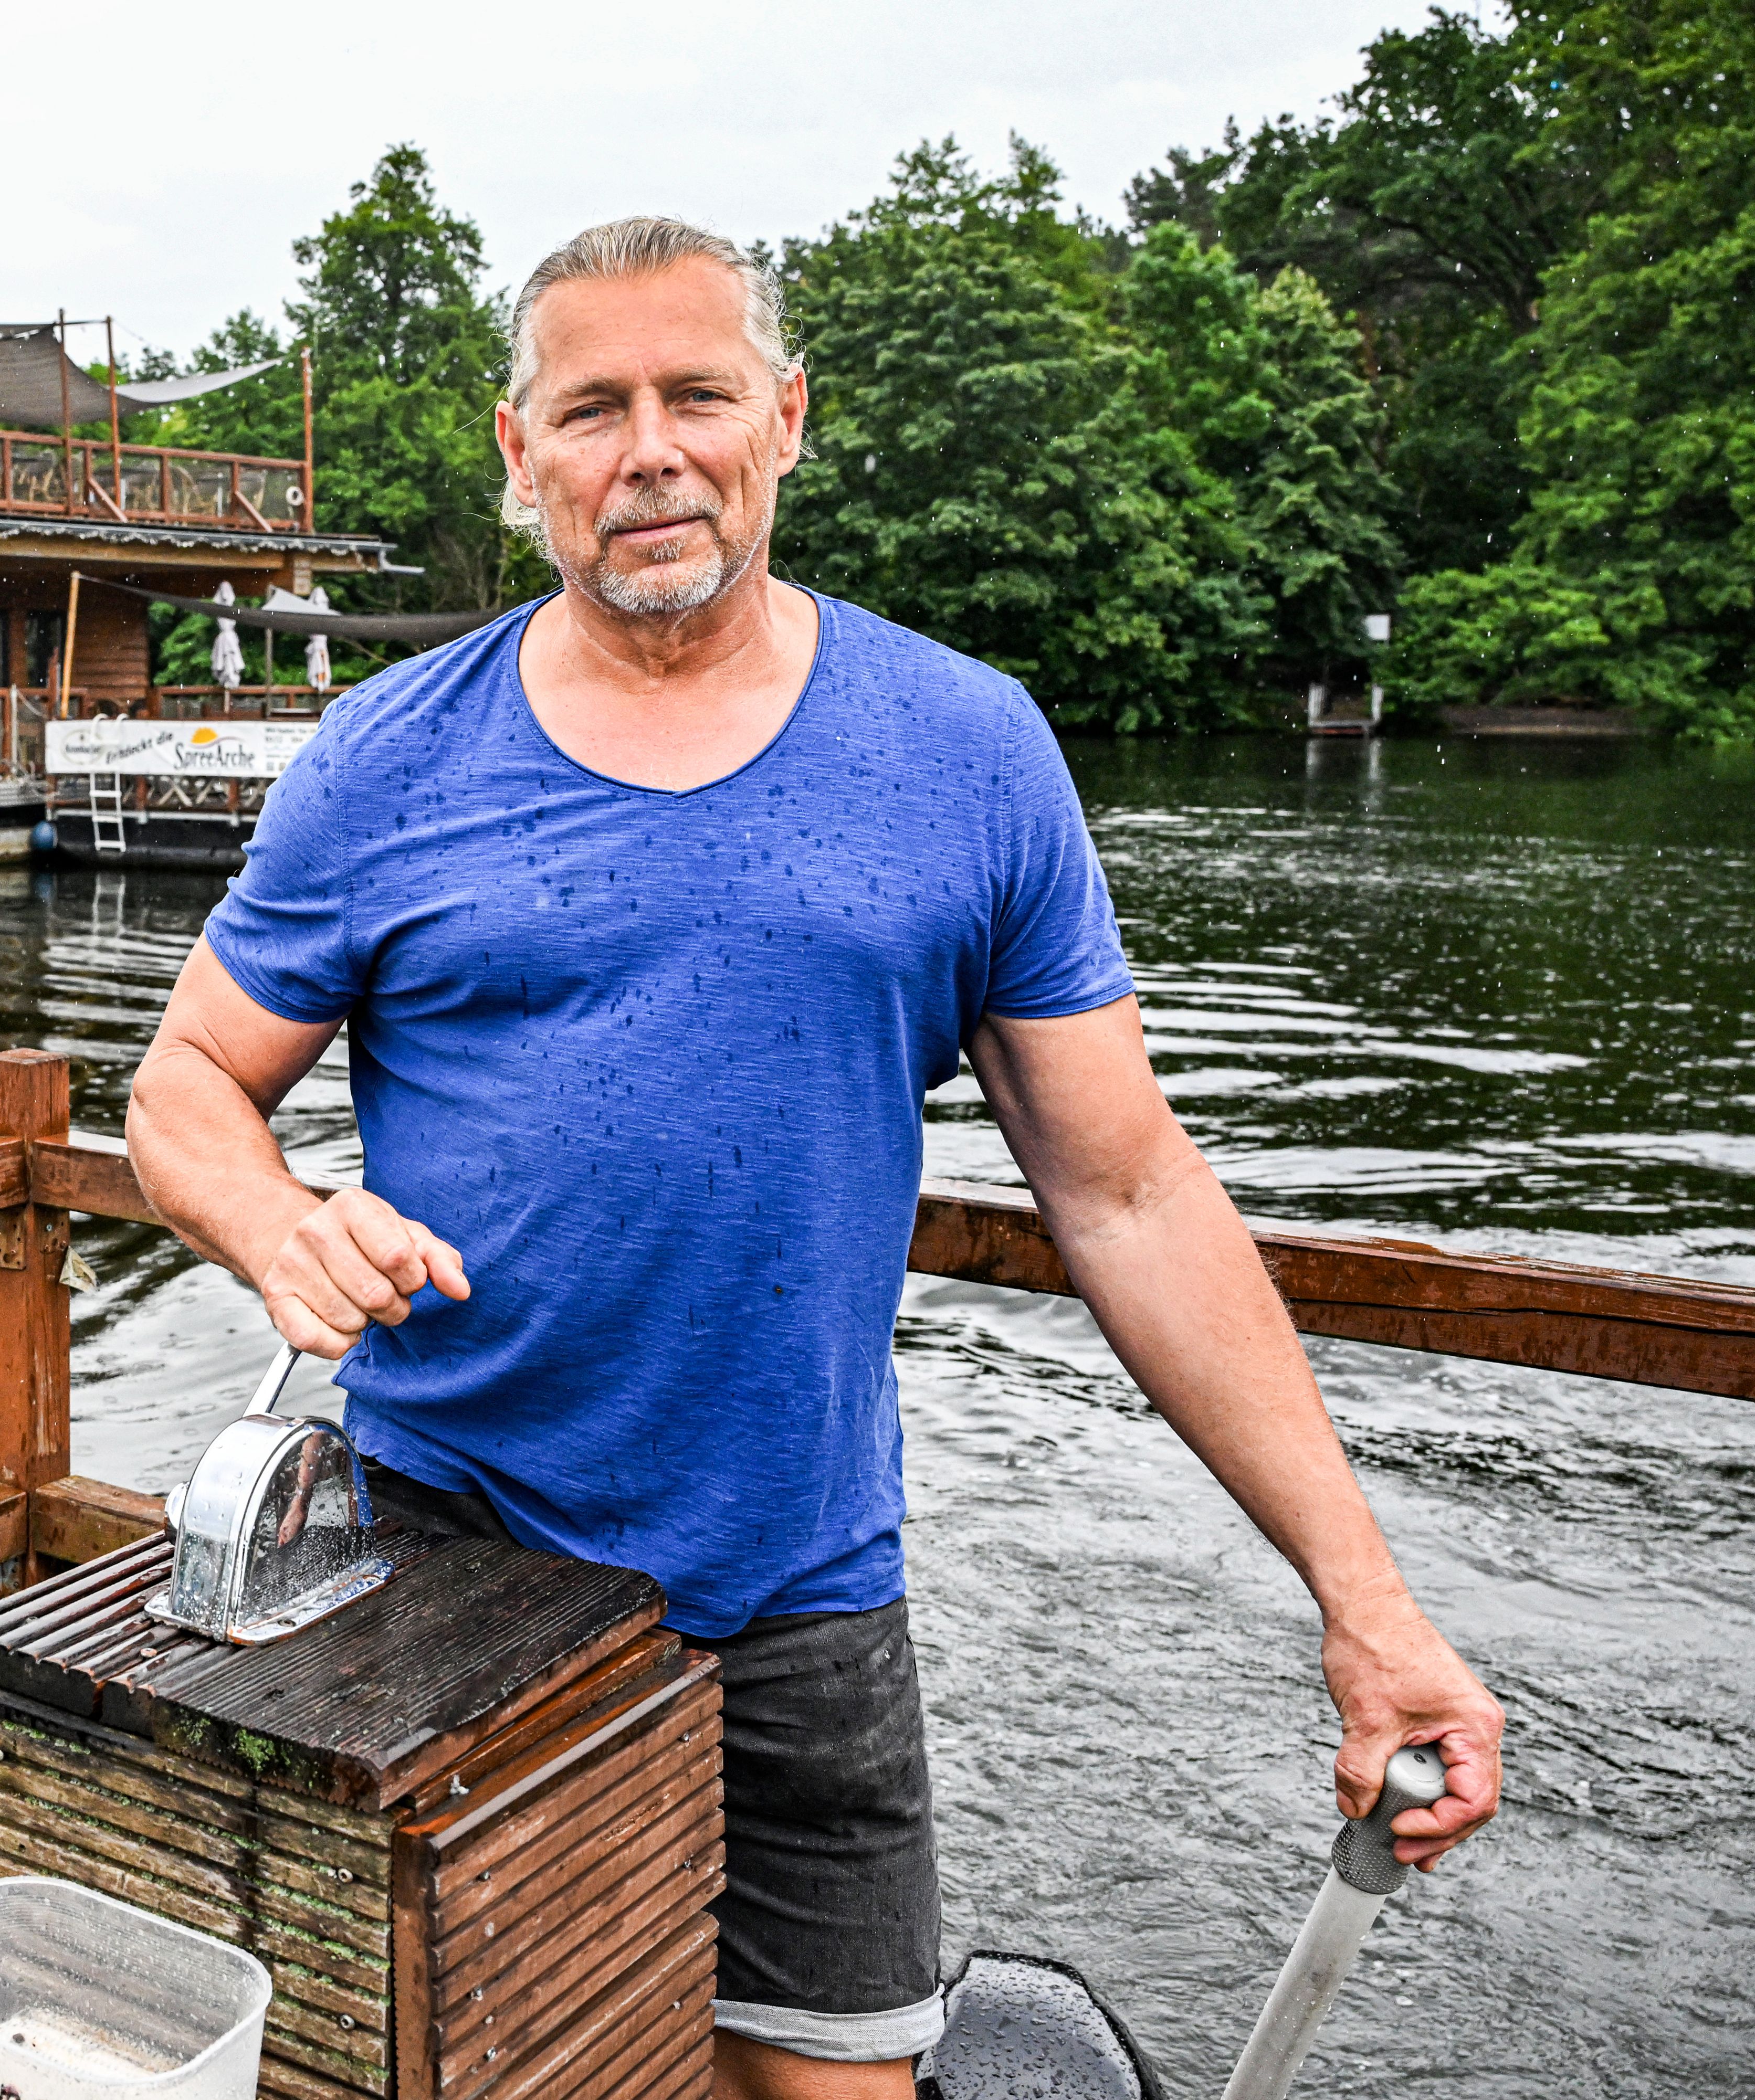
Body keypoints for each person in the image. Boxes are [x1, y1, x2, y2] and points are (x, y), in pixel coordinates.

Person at [123, 217, 1504, 2100]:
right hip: (437, 1568)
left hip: (798, 1582)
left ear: (787, 420)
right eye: (592, 408)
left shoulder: (969, 751)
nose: (651, 449)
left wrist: (1367, 1597)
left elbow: (1130, 1193)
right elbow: (187, 1082)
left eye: (697, 394)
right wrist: (276, 1218)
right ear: (518, 454)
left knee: (827, 2080)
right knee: (467, 2067)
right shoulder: (381, 763)